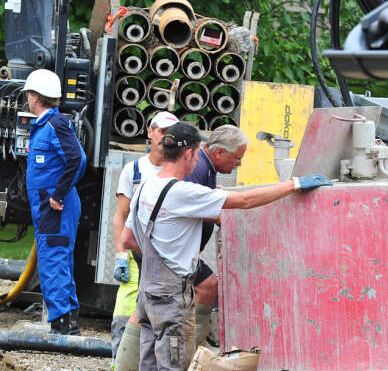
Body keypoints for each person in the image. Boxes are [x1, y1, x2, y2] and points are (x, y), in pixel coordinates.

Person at [121, 122, 331, 370]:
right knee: (173, 364)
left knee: (149, 363)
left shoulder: (144, 185)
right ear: (188, 154)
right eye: (198, 153)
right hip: (172, 300)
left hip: (149, 292)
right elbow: (244, 200)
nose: (198, 159)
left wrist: (163, 255)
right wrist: (293, 185)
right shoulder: (183, 192)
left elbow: (128, 240)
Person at [113, 111, 179, 370]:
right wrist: (120, 254)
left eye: (170, 134)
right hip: (134, 251)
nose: (166, 138)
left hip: (163, 257)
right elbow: (121, 215)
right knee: (126, 311)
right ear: (150, 132)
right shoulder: (135, 170)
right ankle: (119, 361)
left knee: (158, 319)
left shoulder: (177, 171)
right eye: (162, 132)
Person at [23, 68, 86, 334]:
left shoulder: (55, 124)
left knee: (54, 260)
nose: (27, 99)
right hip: (49, 206)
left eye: (28, 94)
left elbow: (77, 160)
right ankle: (68, 321)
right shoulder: (46, 125)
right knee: (58, 259)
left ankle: (62, 325)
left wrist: (58, 195)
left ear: (36, 97)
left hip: (54, 207)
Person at [182, 125, 249, 349]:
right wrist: (220, 214)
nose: (239, 164)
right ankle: (189, 352)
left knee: (207, 287)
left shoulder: (207, 168)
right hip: (175, 251)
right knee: (207, 286)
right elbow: (187, 206)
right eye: (237, 158)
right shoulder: (199, 168)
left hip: (184, 250)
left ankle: (190, 348)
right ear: (219, 152)